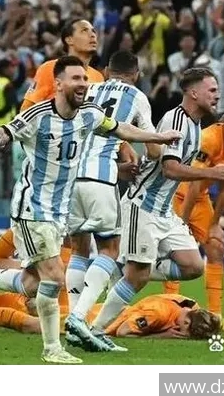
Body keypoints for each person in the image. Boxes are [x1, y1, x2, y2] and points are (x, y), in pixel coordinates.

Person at [0, 55, 181, 363]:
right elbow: (4, 133)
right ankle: (55, 346)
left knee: (33, 282)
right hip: (33, 208)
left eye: (85, 78)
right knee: (56, 276)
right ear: (58, 83)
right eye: (76, 78)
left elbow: (122, 129)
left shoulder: (89, 113)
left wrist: (159, 136)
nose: (83, 83)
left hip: (60, 209)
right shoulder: (38, 114)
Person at [88, 67, 224, 351]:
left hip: (165, 212)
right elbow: (170, 169)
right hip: (143, 207)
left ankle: (126, 265)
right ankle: (95, 330)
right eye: (212, 90)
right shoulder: (176, 120)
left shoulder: (195, 126)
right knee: (138, 278)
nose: (217, 95)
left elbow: (160, 162)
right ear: (194, 93)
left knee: (193, 266)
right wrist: (211, 173)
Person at [64, 50, 162, 352]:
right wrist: (141, 159)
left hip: (71, 178)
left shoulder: (89, 88)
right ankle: (79, 317)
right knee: (109, 249)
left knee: (79, 248)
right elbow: (154, 149)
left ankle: (73, 323)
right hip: (101, 178)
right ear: (137, 75)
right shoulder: (136, 97)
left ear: (106, 71)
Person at [163, 105, 224, 333]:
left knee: (216, 246)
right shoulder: (208, 139)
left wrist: (214, 224)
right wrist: (182, 223)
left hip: (200, 198)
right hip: (174, 195)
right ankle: (171, 311)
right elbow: (194, 182)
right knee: (174, 252)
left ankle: (216, 317)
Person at [0, 289, 221, 341]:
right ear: (187, 319)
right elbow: (125, 332)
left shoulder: (187, 305)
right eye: (183, 329)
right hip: (94, 322)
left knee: (35, 307)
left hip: (100, 310)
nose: (179, 332)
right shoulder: (159, 314)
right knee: (33, 324)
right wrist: (163, 336)